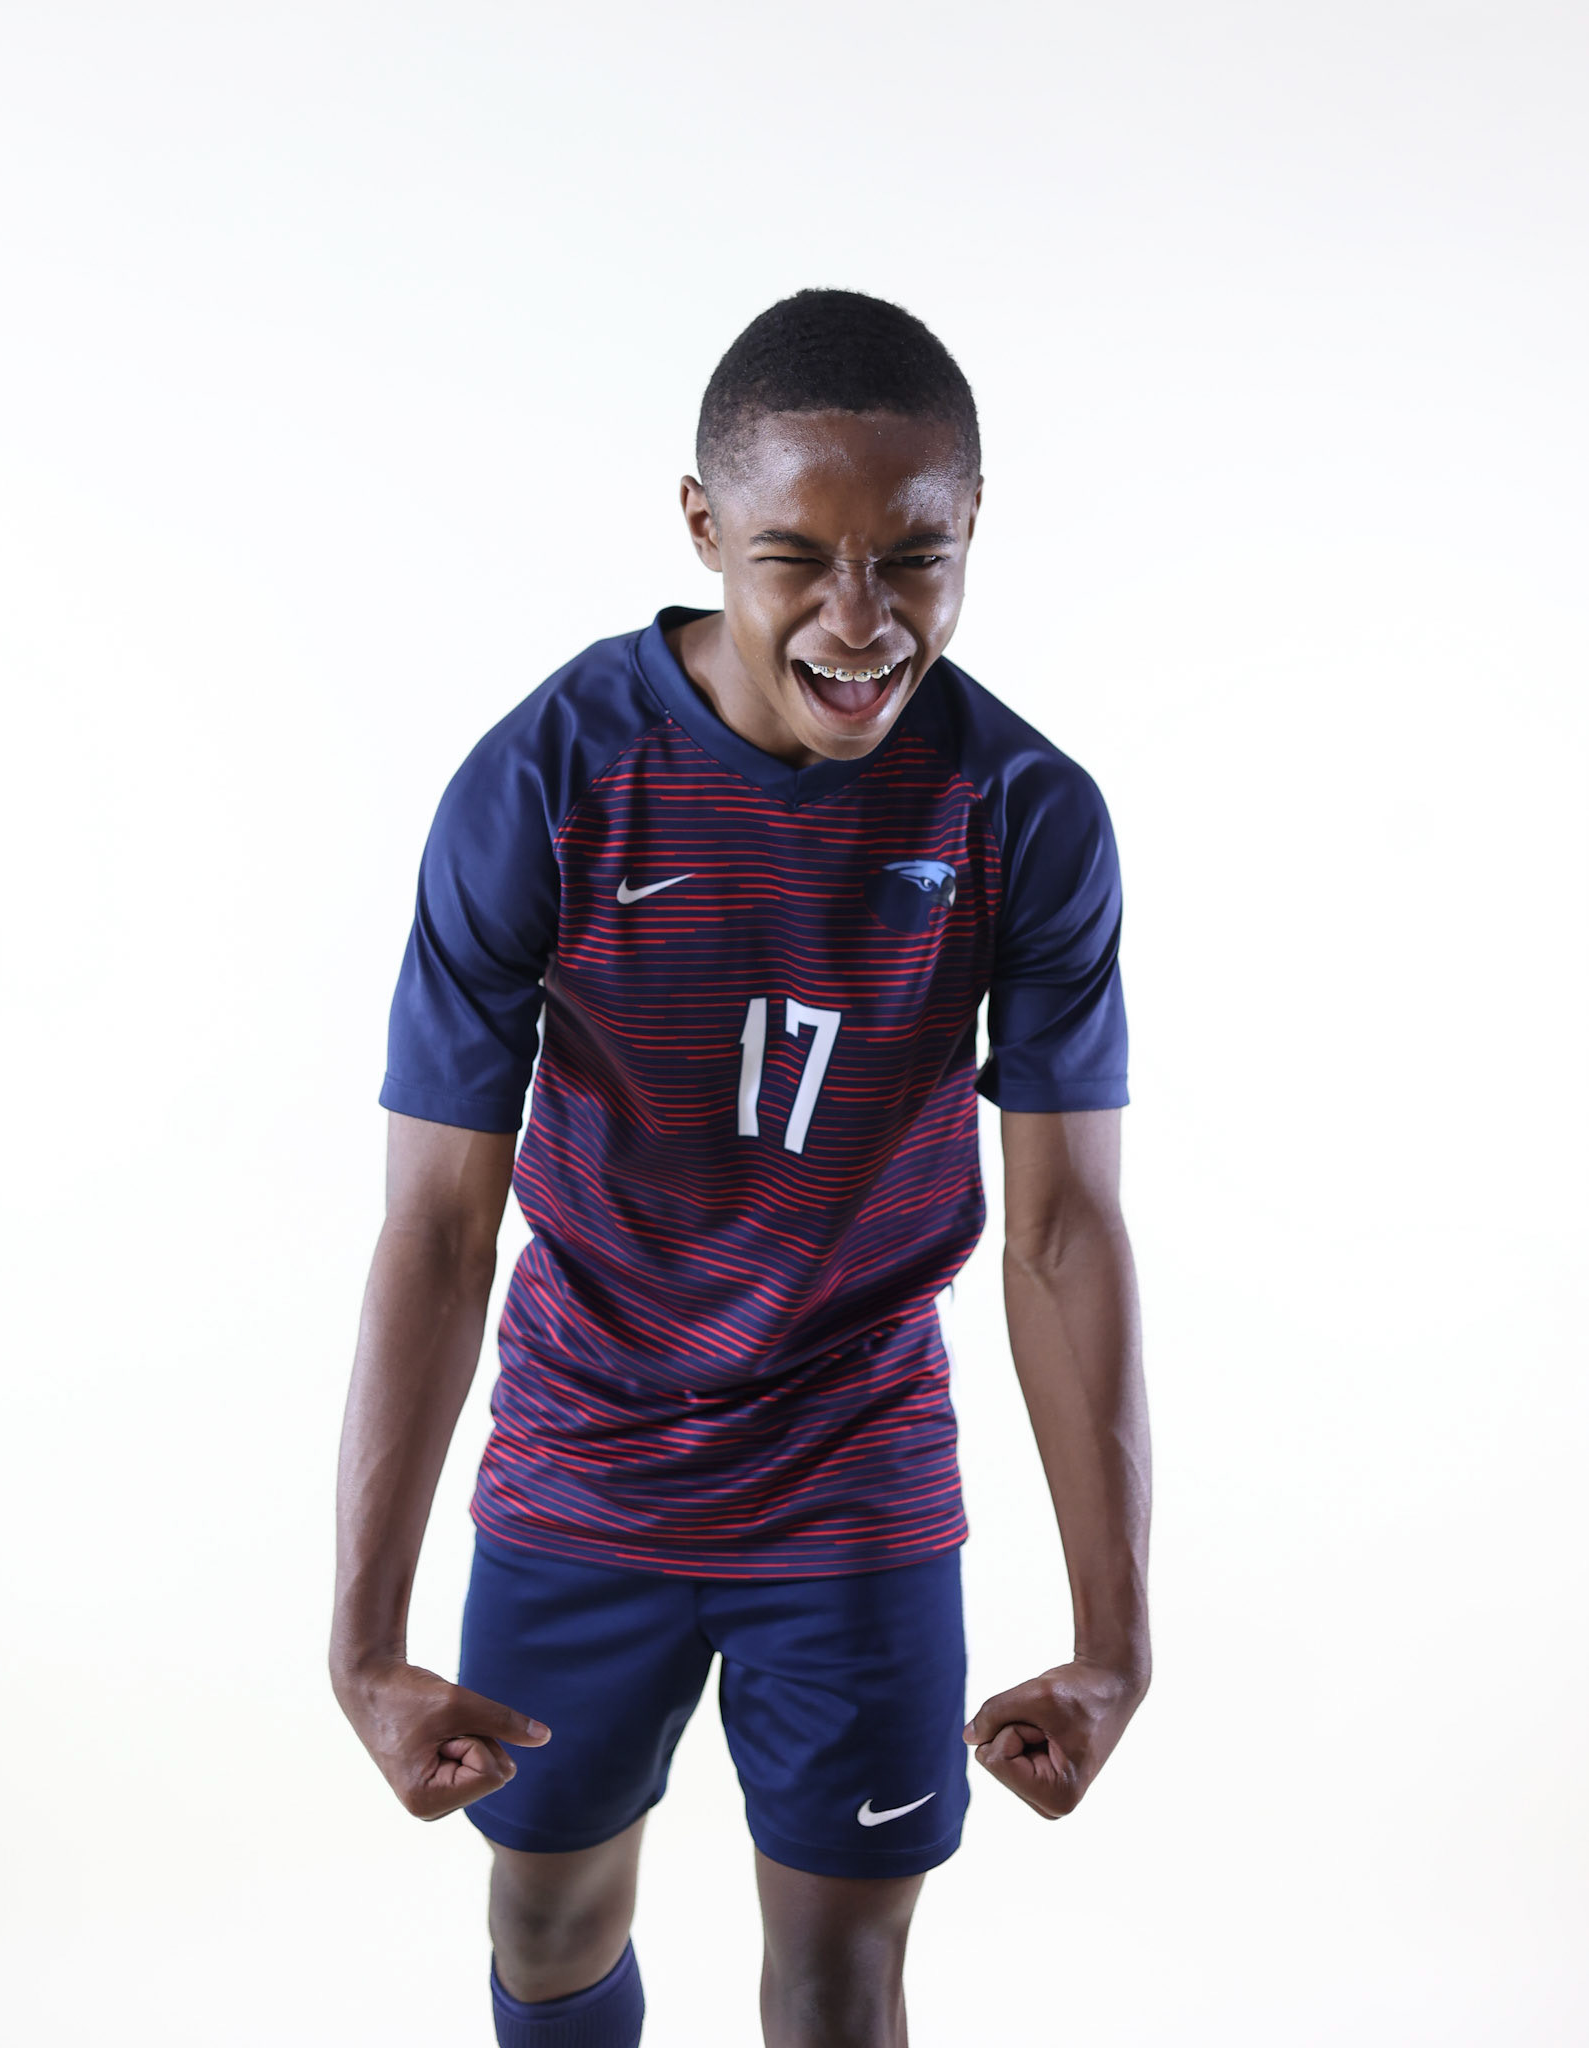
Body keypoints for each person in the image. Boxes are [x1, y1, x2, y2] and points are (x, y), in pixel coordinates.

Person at [329, 288, 1151, 2048]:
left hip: (852, 1478)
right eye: (798, 556)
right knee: (546, 1920)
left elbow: (1066, 1236)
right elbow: (438, 1225)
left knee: (843, 1981)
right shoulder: (544, 784)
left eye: (914, 558)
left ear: (972, 525)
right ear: (703, 528)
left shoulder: (1025, 815)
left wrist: (1112, 1639)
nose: (860, 620)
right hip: (587, 1468)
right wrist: (363, 1642)